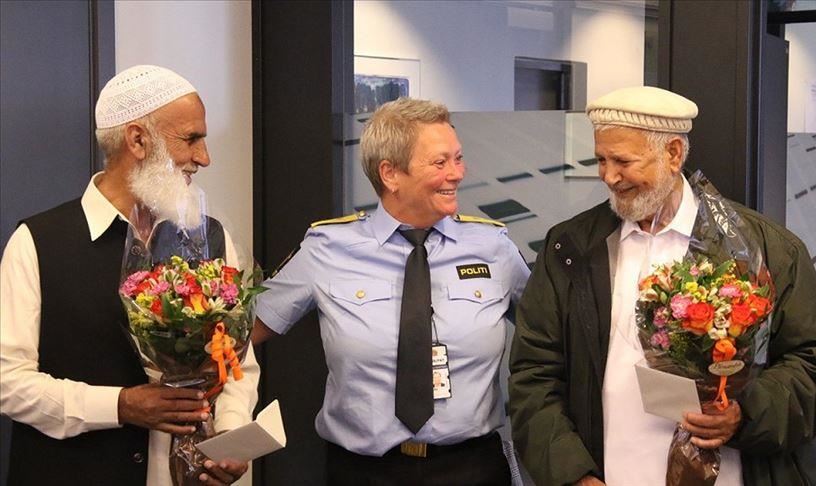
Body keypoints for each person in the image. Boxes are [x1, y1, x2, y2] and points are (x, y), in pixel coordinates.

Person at [508, 86, 816, 486]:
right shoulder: (569, 249)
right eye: (601, 159)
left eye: (623, 161)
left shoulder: (762, 248)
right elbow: (534, 374)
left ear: (673, 154)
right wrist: (572, 474)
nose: (609, 176)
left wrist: (744, 414)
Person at [0, 65, 259, 486]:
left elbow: (237, 364)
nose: (204, 158)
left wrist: (228, 436)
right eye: (191, 139)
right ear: (137, 140)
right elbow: (8, 382)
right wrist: (118, 406)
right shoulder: (36, 242)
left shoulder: (212, 237)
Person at [253, 97, 531, 485]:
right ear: (390, 174)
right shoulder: (327, 248)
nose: (457, 173)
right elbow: (235, 336)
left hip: (471, 468)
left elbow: (552, 339)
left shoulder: (493, 247)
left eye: (458, 158)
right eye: (440, 162)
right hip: (364, 473)